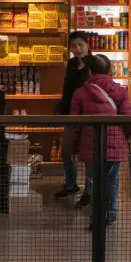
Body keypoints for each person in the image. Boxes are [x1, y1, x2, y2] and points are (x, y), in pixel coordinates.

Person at [68, 54, 131, 226]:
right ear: (109, 69)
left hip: (90, 146)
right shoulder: (120, 91)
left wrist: (72, 147)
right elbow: (128, 117)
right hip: (115, 145)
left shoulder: (80, 93)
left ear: (90, 71)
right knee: (112, 180)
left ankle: (97, 213)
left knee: (94, 180)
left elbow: (74, 125)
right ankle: (110, 212)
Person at [53, 31, 93, 200]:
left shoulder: (95, 64)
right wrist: (62, 106)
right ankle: (71, 183)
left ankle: (90, 191)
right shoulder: (70, 64)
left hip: (88, 116)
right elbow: (67, 87)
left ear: (87, 45)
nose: (77, 49)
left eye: (80, 44)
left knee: (89, 154)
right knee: (67, 151)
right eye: (74, 46)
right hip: (71, 113)